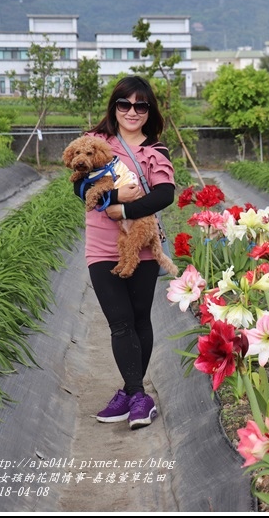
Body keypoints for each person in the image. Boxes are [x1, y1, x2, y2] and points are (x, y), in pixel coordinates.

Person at [73, 75, 175, 430]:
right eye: (124, 104)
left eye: (140, 105)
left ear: (149, 111)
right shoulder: (96, 142)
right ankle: (137, 395)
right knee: (119, 322)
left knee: (138, 318)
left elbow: (165, 195)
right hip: (101, 247)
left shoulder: (155, 151)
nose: (132, 111)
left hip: (141, 246)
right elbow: (79, 187)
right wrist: (116, 200)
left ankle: (131, 395)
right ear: (114, 106)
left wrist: (126, 211)